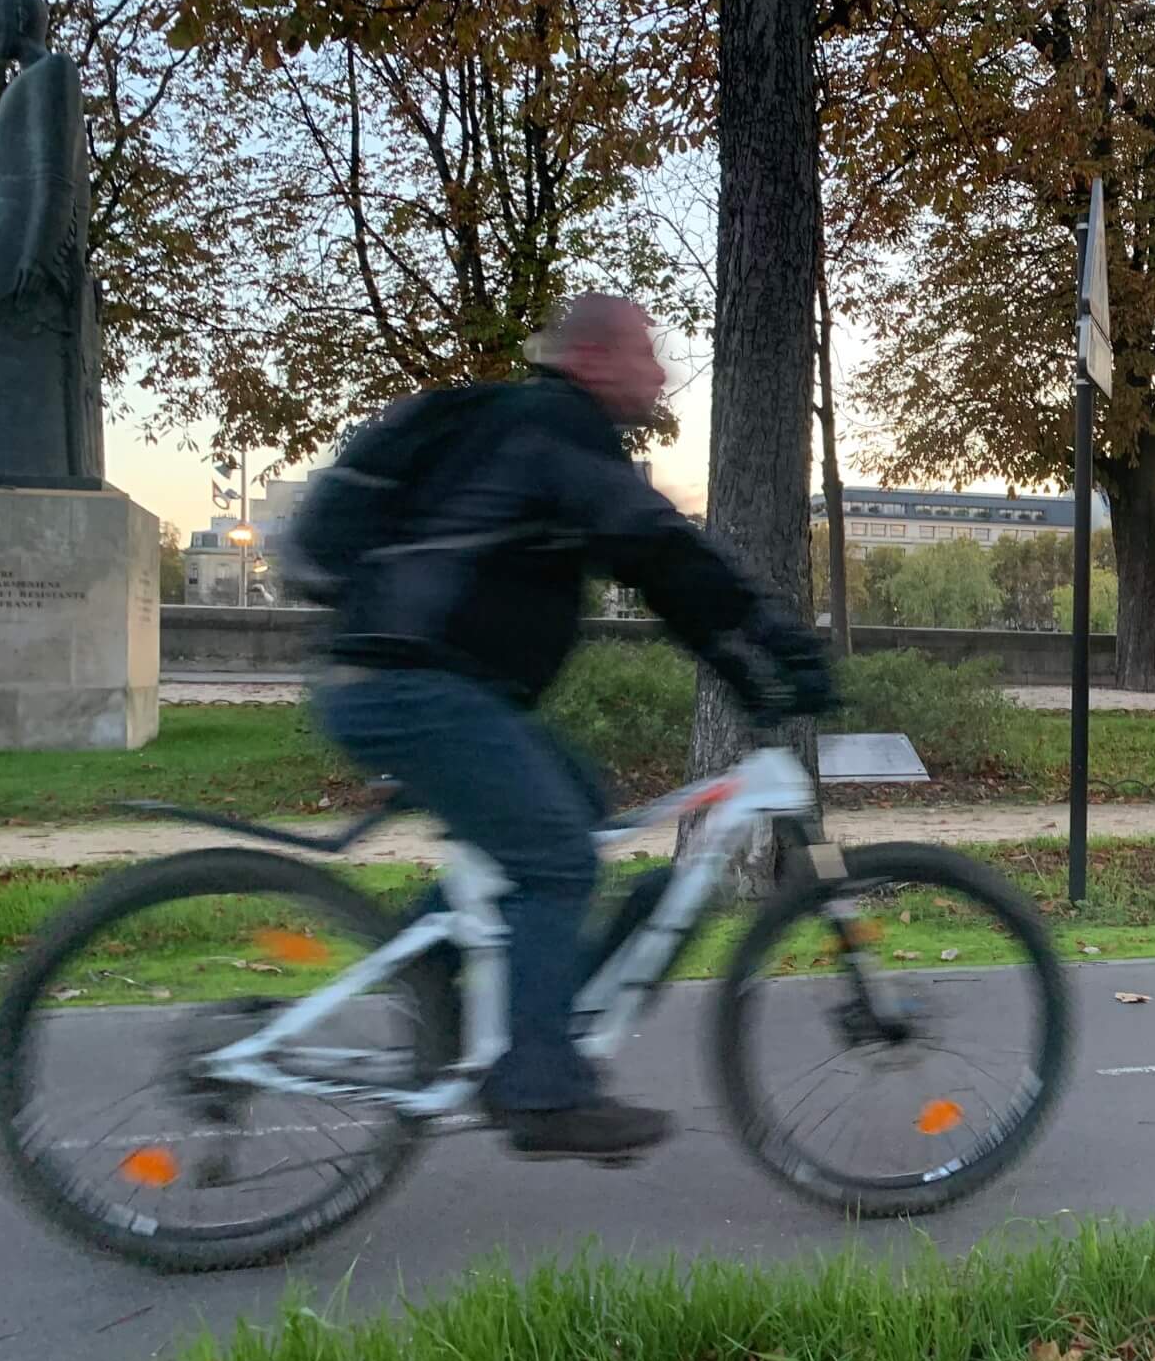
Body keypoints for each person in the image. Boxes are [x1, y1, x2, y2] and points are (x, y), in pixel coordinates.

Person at [312, 293, 831, 1161]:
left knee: (578, 804)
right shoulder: (555, 430)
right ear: (593, 359)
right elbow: (662, 545)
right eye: (646, 354)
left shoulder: (540, 437)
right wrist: (779, 637)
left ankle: (433, 977)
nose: (660, 373)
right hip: (414, 686)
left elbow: (653, 570)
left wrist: (741, 663)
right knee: (556, 855)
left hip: (416, 680)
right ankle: (542, 1087)